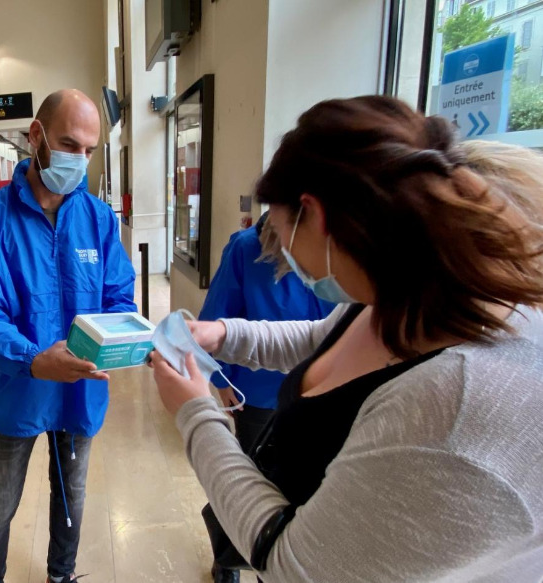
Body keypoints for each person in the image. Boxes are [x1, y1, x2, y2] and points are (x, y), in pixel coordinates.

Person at [149, 96, 543, 581]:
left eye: (281, 230)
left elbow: (294, 566)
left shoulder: (452, 412)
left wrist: (195, 414)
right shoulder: (399, 291)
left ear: (314, 215)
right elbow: (322, 339)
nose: (282, 251)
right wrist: (224, 334)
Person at [0, 88, 136, 583]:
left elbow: (119, 294)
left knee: (72, 495)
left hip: (79, 389)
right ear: (36, 136)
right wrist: (34, 360)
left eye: (89, 150)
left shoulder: (97, 219)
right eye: (69, 144)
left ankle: (61, 574)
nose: (80, 160)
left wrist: (124, 338)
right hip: (14, 391)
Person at [198, 211, 335, 583]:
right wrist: (219, 380)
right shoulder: (247, 249)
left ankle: (270, 569)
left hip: (320, 392)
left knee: (300, 489)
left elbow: (325, 334)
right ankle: (229, 558)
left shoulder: (338, 257)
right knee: (252, 478)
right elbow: (216, 316)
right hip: (258, 394)